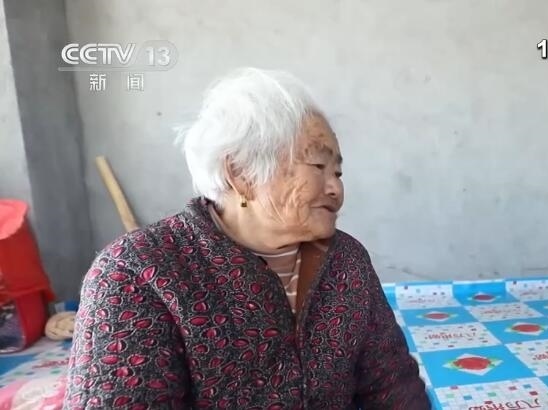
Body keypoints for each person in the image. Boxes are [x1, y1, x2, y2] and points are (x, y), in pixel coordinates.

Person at [64, 68, 430, 409]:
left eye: (338, 172)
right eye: (319, 166)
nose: (336, 188)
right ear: (241, 173)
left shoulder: (346, 259)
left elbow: (392, 384)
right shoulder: (136, 273)